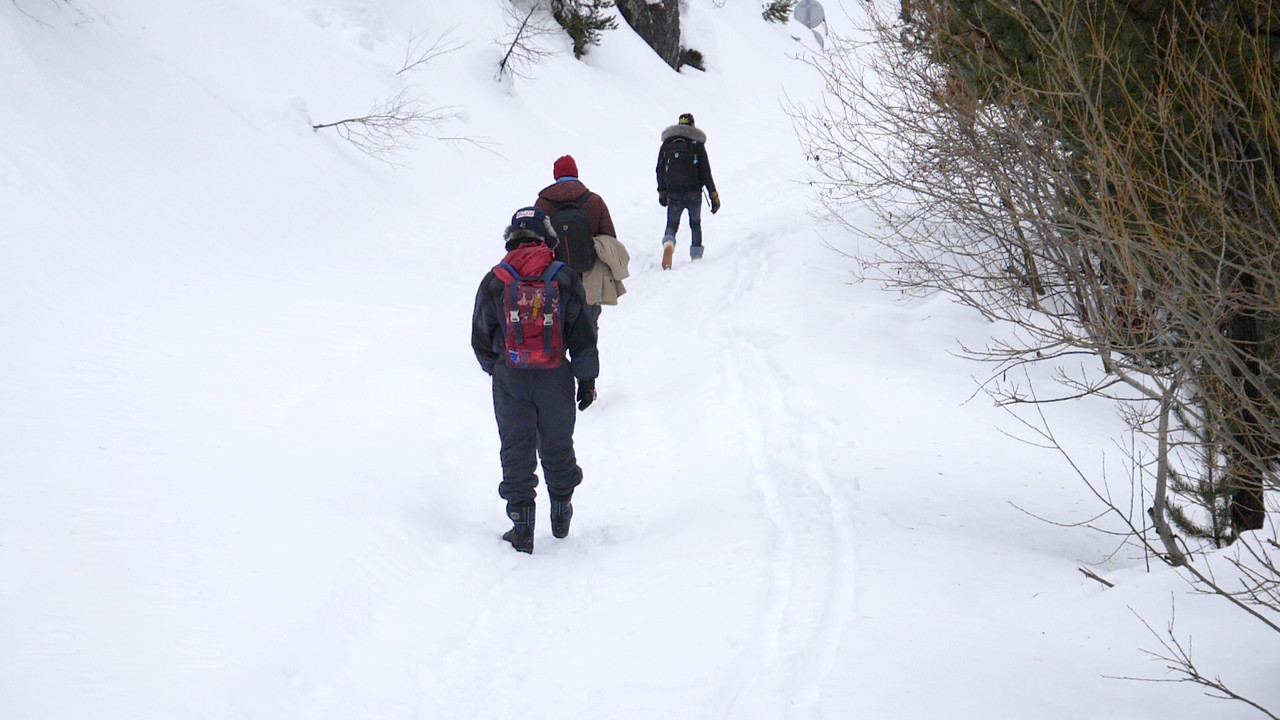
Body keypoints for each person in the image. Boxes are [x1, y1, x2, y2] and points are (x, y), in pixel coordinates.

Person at [471, 206, 600, 554]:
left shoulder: (495, 279)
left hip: (511, 378)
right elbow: (583, 335)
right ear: (547, 237)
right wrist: (586, 380)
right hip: (555, 376)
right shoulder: (564, 276)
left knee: (517, 449)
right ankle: (561, 515)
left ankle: (522, 527)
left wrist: (499, 368)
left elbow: (480, 339)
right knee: (557, 445)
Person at [535, 155, 629, 331]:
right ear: (576, 173)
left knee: (556, 336)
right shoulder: (594, 201)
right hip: (589, 280)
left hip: (555, 280)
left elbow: (536, 242)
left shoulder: (543, 204)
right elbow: (610, 238)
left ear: (556, 175)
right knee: (587, 338)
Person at [655, 113, 720, 269]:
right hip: (694, 193)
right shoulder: (697, 144)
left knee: (672, 223)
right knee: (695, 224)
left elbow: (659, 170)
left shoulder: (667, 144)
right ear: (692, 125)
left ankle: (669, 244)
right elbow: (706, 172)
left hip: (674, 192)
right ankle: (696, 256)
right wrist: (714, 196)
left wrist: (662, 191)